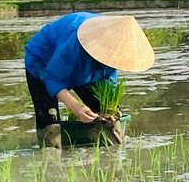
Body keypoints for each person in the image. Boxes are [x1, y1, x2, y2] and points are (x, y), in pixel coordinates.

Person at [25, 13, 155, 148]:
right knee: (50, 121)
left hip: (85, 69)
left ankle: (113, 156)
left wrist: (110, 110)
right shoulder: (76, 42)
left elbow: (109, 82)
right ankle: (50, 159)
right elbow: (52, 77)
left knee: (105, 116)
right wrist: (75, 106)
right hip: (43, 63)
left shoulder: (114, 52)